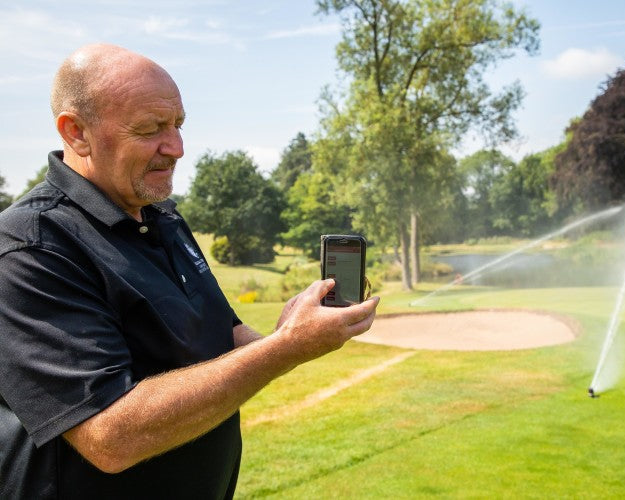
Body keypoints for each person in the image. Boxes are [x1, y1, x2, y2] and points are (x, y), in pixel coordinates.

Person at [0, 44, 379, 499]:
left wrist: (295, 328)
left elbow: (222, 332)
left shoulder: (161, 216)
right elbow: (109, 436)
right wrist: (286, 348)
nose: (176, 148)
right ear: (76, 132)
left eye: (178, 125)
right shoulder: (31, 245)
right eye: (150, 129)